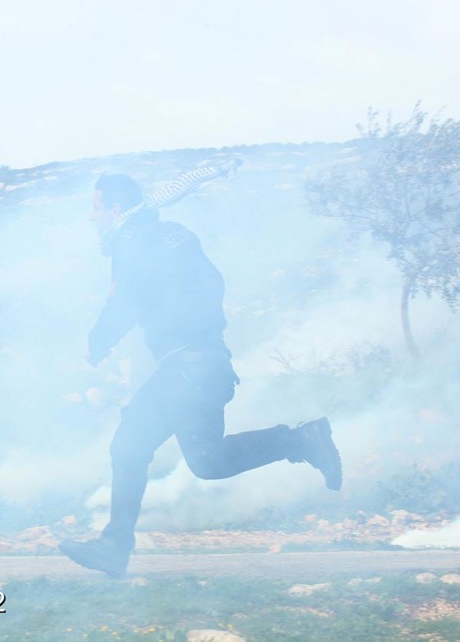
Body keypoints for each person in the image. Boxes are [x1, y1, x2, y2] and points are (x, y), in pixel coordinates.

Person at [59, 173, 342, 577]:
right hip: (205, 363)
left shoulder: (130, 243)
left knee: (129, 445)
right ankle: (302, 439)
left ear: (116, 210)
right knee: (208, 460)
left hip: (186, 367)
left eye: (95, 207)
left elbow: (123, 302)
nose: (91, 217)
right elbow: (210, 285)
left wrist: (96, 344)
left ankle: (114, 547)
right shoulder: (175, 234)